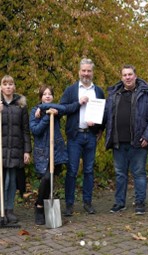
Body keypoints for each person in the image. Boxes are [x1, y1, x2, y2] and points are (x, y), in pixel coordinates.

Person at [105, 64, 148, 215]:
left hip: (139, 142)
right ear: (121, 77)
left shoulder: (147, 93)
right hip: (118, 142)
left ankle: (140, 203)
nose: (127, 77)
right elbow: (106, 115)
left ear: (135, 76)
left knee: (139, 173)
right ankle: (119, 203)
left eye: (130, 74)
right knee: (120, 174)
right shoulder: (114, 93)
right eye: (124, 75)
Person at [60, 58, 105, 216]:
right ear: (79, 72)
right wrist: (78, 103)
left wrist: (99, 128)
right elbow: (62, 109)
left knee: (88, 171)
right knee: (72, 170)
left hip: (90, 136)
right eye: (83, 70)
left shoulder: (98, 91)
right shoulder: (71, 90)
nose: (86, 73)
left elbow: (103, 114)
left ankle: (87, 203)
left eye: (89, 71)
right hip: (75, 136)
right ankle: (69, 204)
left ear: (93, 73)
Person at [0, 75, 31, 224]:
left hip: (16, 150)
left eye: (11, 84)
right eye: (5, 84)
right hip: (0, 150)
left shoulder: (21, 105)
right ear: (1, 87)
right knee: (1, 182)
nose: (8, 87)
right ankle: (0, 210)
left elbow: (25, 129)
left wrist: (26, 150)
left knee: (12, 181)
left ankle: (10, 209)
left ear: (14, 87)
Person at [30, 85, 68, 225]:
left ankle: (47, 208)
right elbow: (35, 130)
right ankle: (39, 206)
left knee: (51, 180)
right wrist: (46, 116)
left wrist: (47, 108)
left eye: (50, 94)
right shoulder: (35, 111)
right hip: (43, 153)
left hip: (56, 151)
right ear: (40, 97)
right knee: (46, 178)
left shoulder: (56, 109)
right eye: (44, 94)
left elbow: (66, 109)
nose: (47, 96)